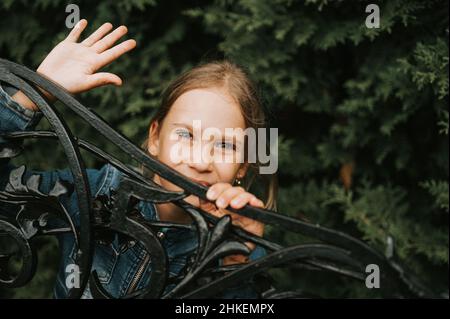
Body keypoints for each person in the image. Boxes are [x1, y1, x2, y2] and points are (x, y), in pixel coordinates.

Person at [0, 19, 276, 298]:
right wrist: (33, 94)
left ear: (242, 164)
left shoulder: (244, 247)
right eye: (186, 135)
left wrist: (234, 262)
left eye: (226, 144)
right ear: (155, 138)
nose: (200, 161)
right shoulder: (95, 193)